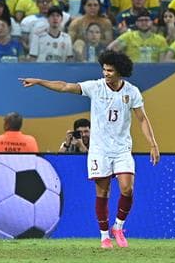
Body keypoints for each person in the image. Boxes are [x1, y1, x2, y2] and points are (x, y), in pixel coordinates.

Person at [20, 49, 160, 248]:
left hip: (122, 149)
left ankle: (118, 227)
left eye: (110, 70)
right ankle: (104, 236)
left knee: (127, 189)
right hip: (99, 150)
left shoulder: (132, 92)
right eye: (104, 69)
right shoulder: (95, 87)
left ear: (120, 71)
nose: (105, 73)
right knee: (103, 193)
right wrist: (39, 81)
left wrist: (153, 144)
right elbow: (65, 86)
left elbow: (142, 119)